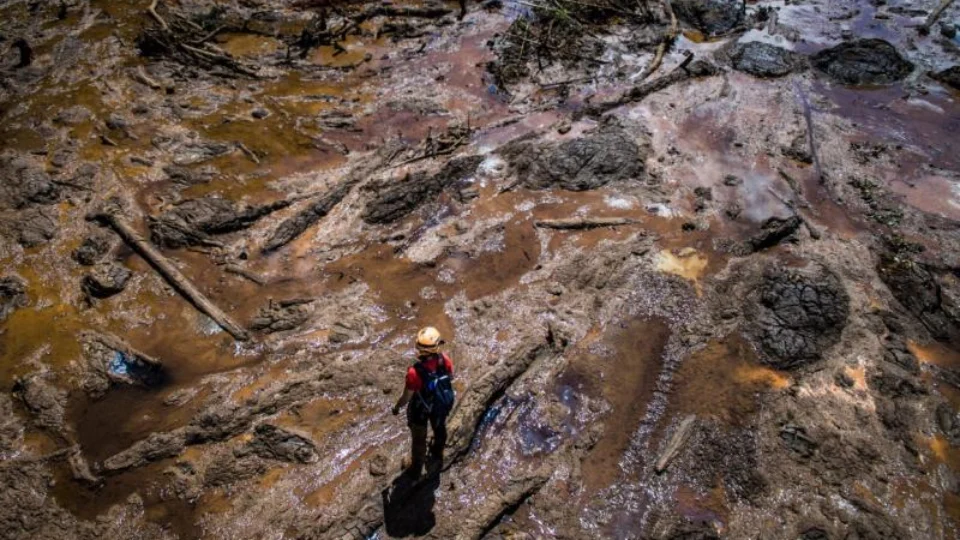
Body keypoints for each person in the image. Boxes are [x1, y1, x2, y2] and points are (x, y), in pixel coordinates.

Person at [392, 326, 455, 477]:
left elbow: (407, 397)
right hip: (440, 404)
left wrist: (396, 407)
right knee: (440, 428)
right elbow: (450, 377)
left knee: (419, 439)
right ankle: (437, 452)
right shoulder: (444, 360)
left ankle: (416, 469)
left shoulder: (414, 372)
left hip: (420, 409)